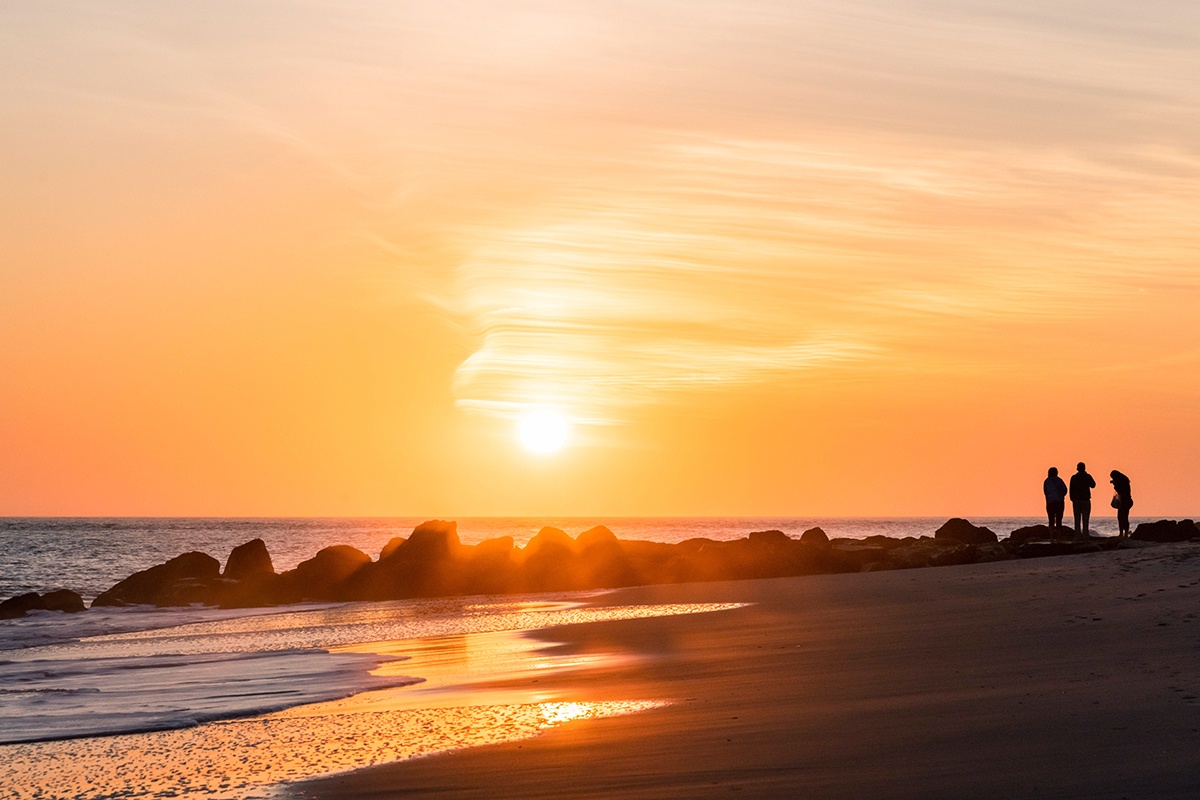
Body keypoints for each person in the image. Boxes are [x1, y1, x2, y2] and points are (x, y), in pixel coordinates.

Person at [1069, 462, 1096, 540]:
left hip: (1076, 500)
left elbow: (1071, 489)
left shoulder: (1074, 477)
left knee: (1077, 519)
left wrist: (1072, 498)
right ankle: (1085, 536)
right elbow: (1093, 485)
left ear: (1077, 468)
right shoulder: (1087, 476)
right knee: (1086, 519)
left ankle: (1077, 536)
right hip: (1085, 500)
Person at [1110, 470, 1134, 537]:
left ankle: (1122, 533)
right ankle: (1124, 533)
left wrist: (1115, 485)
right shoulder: (1124, 481)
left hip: (1125, 501)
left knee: (1121, 517)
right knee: (1124, 517)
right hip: (1127, 501)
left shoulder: (1122, 483)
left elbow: (1120, 491)